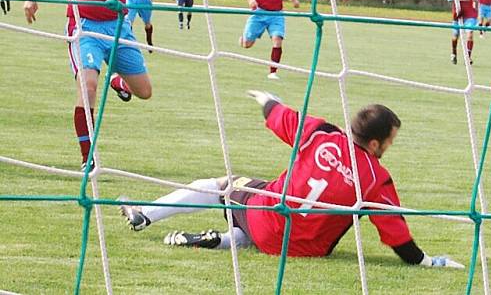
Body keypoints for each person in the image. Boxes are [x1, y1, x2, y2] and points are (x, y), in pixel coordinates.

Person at [119, 90, 464, 269]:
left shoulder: (321, 134)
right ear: (375, 143)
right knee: (262, 220)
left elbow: (278, 115)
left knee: (222, 184)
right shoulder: (377, 178)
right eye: (391, 140)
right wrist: (426, 261)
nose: (390, 146)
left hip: (268, 220)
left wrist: (265, 98)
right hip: (305, 250)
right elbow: (396, 235)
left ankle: (144, 214)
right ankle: (223, 240)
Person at [23, 0, 224, 169]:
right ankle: (88, 157)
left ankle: (117, 82)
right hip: (84, 29)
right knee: (88, 85)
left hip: (119, 29)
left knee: (144, 91)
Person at [240, 0, 300, 80]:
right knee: (247, 44)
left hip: (276, 15)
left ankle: (273, 72)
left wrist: (294, 0)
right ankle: (244, 37)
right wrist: (251, 0)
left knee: (277, 40)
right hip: (259, 13)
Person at [447, 0, 479, 65]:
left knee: (470, 34)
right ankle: (454, 53)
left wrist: (476, 4)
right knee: (455, 35)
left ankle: (468, 58)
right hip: (459, 14)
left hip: (470, 15)